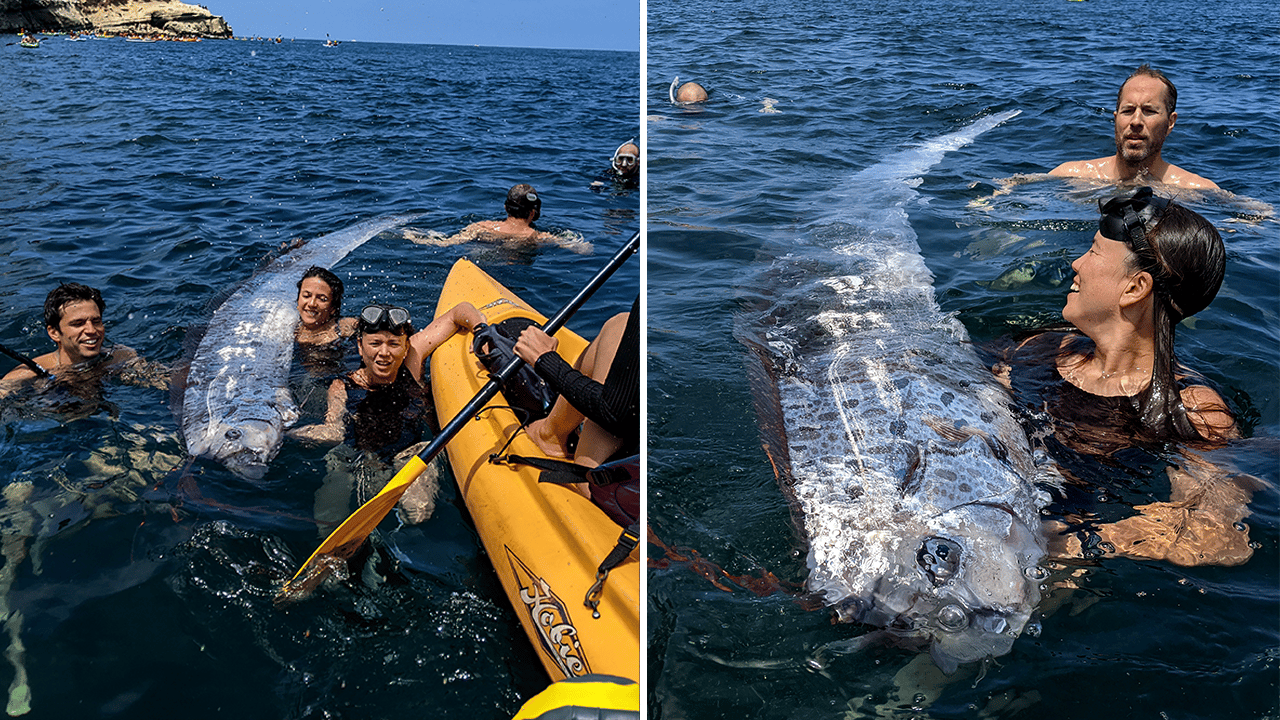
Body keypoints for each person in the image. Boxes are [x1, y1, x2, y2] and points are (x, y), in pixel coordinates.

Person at [991, 187, 1253, 566]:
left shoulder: (1191, 409)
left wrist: (1067, 544)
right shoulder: (1042, 347)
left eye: (1094, 252)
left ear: (1134, 288)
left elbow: (1217, 537)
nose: (1077, 264)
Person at [288, 301, 482, 526]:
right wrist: (289, 435)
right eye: (375, 343)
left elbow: (458, 312)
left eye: (393, 344)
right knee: (330, 512)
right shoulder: (342, 386)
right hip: (359, 456)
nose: (384, 353)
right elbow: (334, 429)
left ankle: (400, 534)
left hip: (411, 452)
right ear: (360, 347)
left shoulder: (411, 362)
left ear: (406, 347)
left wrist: (480, 330)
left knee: (418, 512)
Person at [512, 297, 640, 469]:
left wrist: (545, 360)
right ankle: (552, 435)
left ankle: (549, 436)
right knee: (621, 325)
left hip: (613, 489)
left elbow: (613, 413)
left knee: (620, 327)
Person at [1050, 65, 1219, 189]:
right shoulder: (1070, 176)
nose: (1136, 121)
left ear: (1170, 122)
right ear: (1116, 119)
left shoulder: (1194, 189)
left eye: (1149, 111)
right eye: (1128, 110)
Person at [0, 283, 164, 397]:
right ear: (54, 333)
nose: (92, 331)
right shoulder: (26, 375)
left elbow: (163, 380)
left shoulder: (120, 357)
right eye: (78, 324)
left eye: (96, 321)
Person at [405, 184, 592, 253]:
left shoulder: (481, 226)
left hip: (480, 254)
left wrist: (412, 237)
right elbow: (584, 250)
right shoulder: (538, 237)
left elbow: (445, 243)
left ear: (505, 208)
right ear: (533, 213)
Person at [295, 266, 356, 347]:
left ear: (333, 308)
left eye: (322, 299)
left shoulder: (342, 328)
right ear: (298, 300)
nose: (312, 304)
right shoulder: (288, 327)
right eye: (306, 296)